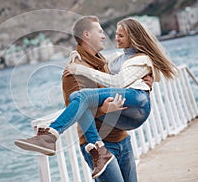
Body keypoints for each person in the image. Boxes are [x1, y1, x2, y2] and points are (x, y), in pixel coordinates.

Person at [15, 16, 177, 180]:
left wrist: (145, 81)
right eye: (100, 31)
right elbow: (75, 109)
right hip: (99, 145)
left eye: (119, 35)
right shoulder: (73, 71)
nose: (105, 36)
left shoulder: (105, 63)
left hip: (122, 139)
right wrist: (102, 110)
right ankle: (55, 138)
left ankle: (50, 135)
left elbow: (124, 75)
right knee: (79, 97)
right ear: (86, 35)